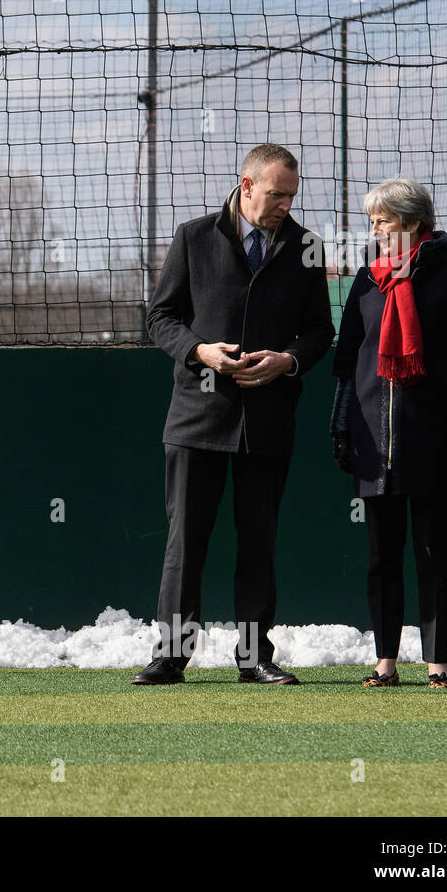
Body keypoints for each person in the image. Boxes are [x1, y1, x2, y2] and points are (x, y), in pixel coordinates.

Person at [134, 143, 335, 685]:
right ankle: (171, 658)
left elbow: (321, 330)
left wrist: (287, 361)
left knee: (258, 543)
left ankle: (255, 658)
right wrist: (200, 351)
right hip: (196, 418)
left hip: (267, 420)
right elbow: (160, 316)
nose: (284, 206)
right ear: (246, 185)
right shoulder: (193, 237)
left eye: (291, 196)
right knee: (185, 542)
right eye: (275, 194)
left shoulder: (307, 247)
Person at [331, 177, 447, 689]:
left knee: (432, 550)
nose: (375, 228)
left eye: (384, 219)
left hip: (432, 440)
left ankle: (437, 663)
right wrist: (340, 423)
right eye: (374, 220)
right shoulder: (367, 278)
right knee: (381, 555)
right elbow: (347, 360)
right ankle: (385, 663)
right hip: (372, 439)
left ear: (413, 222)